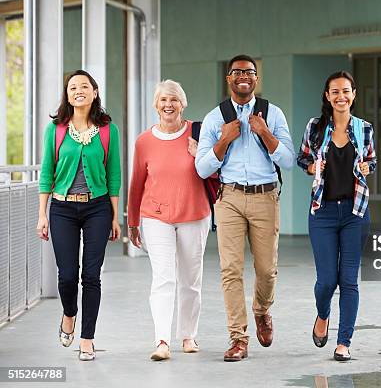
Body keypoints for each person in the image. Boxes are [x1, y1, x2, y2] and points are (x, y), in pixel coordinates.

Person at [195, 54, 295, 362]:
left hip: (266, 196)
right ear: (228, 79)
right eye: (237, 72)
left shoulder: (273, 113)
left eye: (249, 72)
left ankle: (262, 310)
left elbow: (289, 160)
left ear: (256, 78)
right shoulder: (216, 118)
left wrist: (265, 133)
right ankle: (238, 338)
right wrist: (223, 141)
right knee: (230, 270)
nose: (244, 76)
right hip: (230, 198)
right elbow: (201, 168)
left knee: (266, 270)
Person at [37, 70, 121, 361]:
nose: (78, 90)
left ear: (95, 92)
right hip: (61, 209)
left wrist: (114, 215)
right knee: (67, 275)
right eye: (73, 87)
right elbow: (47, 172)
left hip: (97, 207)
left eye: (84, 86)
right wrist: (42, 214)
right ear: (67, 94)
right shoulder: (56, 129)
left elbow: (114, 174)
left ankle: (87, 339)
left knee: (91, 276)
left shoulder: (109, 130)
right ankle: (69, 313)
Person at [127, 80, 211, 361]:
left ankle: (188, 335)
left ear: (183, 104)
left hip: (194, 213)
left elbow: (217, 174)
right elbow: (137, 183)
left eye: (174, 99)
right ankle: (161, 340)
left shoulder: (199, 135)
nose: (168, 105)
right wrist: (133, 221)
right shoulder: (144, 142)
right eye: (163, 99)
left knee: (190, 279)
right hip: (156, 216)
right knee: (163, 279)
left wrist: (200, 154)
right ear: (155, 105)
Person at [297, 71, 375, 361]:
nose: (341, 96)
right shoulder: (316, 127)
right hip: (323, 212)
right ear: (327, 96)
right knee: (327, 281)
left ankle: (344, 342)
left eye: (346, 91)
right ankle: (322, 314)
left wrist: (368, 168)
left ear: (353, 94)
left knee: (349, 280)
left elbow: (371, 160)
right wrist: (313, 168)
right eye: (335, 92)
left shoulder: (363, 128)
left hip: (355, 211)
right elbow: (303, 158)